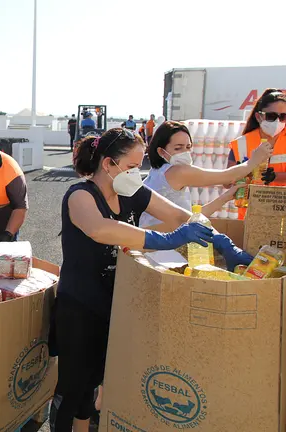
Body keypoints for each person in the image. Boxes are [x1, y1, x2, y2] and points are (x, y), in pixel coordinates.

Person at [49, 128, 251, 432]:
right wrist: (163, 240)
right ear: (108, 164)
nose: (136, 173)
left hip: (113, 303)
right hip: (79, 305)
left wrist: (224, 243)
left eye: (139, 166)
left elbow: (180, 217)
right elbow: (100, 229)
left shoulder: (132, 192)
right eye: (131, 167)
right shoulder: (80, 195)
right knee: (73, 385)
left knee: (96, 383)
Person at [139, 121, 272, 227]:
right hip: (162, 248)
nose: (185, 152)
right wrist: (255, 160)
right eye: (178, 148)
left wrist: (225, 197)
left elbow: (189, 218)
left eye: (188, 147)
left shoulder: (156, 173)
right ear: (161, 152)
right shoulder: (178, 172)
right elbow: (228, 176)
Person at [228, 88, 286, 186]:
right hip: (248, 201)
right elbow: (226, 183)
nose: (277, 121)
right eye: (271, 116)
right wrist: (240, 172)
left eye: (283, 117)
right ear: (258, 117)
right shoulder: (241, 143)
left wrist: (275, 176)